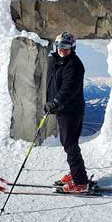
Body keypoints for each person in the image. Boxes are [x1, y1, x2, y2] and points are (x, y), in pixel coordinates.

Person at [44, 31, 89, 193]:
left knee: (70, 144)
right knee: (68, 143)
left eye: (67, 46)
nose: (63, 49)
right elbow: (52, 86)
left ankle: (80, 182)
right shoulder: (56, 61)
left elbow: (68, 89)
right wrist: (49, 102)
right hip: (62, 108)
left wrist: (55, 102)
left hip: (71, 110)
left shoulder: (74, 65)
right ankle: (76, 173)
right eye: (60, 46)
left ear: (73, 48)